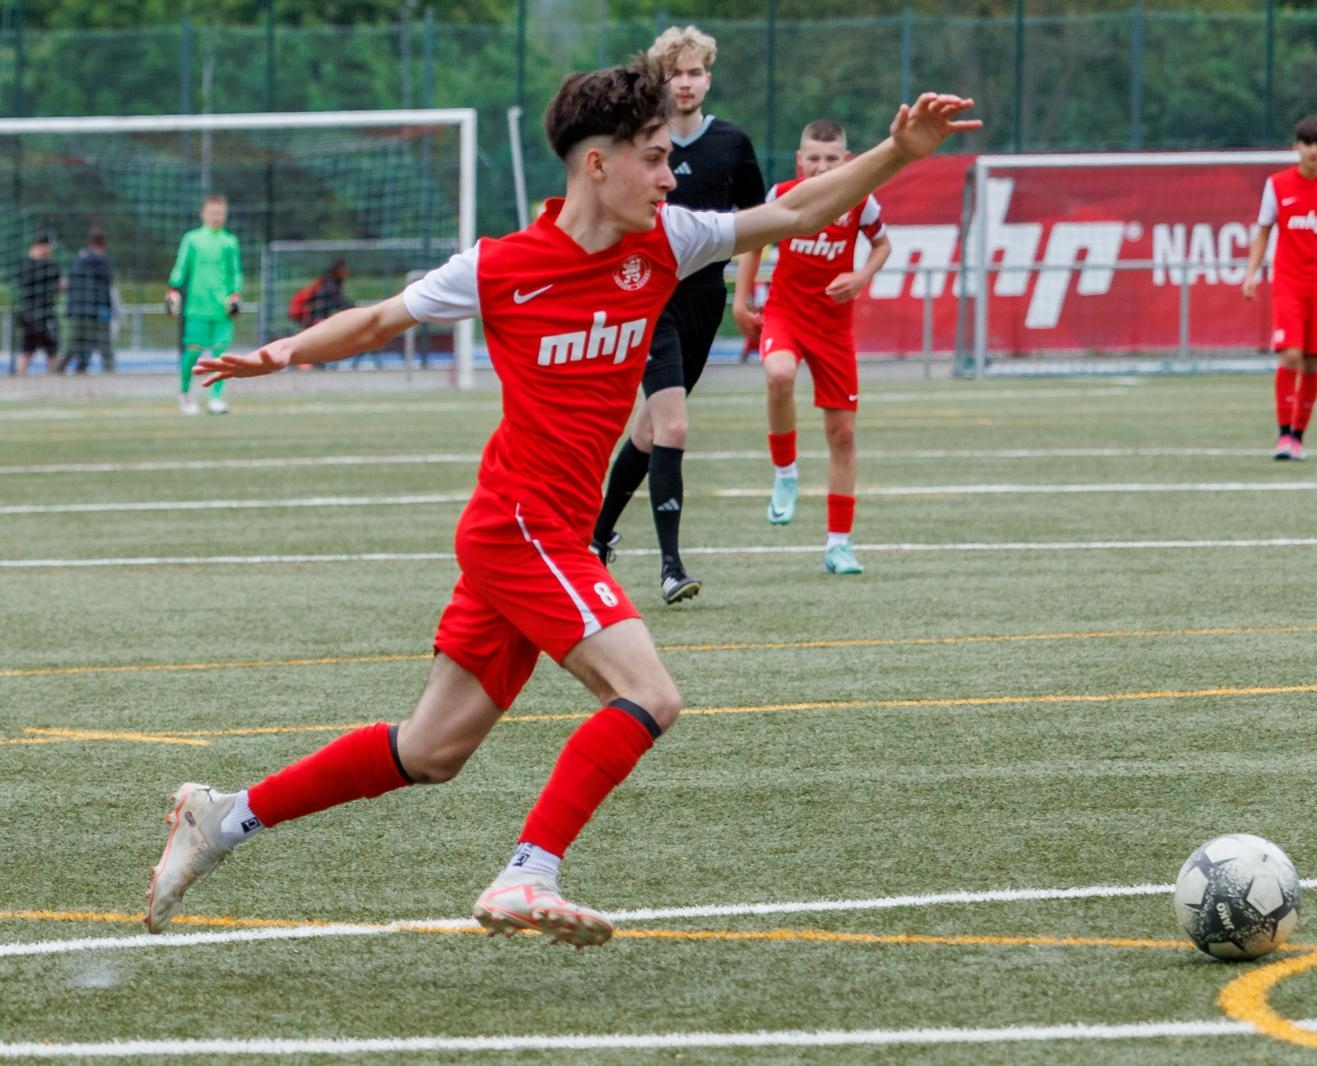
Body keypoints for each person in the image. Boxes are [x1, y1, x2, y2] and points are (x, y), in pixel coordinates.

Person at [143, 60, 978, 948]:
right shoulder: (502, 266)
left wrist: (898, 151)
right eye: (654, 159)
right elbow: (382, 318)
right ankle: (528, 872)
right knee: (649, 693)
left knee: (431, 750)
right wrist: (277, 354)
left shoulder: (669, 239)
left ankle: (222, 817)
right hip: (521, 527)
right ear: (597, 164)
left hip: (537, 533)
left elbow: (800, 213)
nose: (670, 178)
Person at [588, 26, 766, 605]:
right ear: (659, 82)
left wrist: (743, 296)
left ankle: (595, 536)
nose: (684, 83)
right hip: (650, 300)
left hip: (705, 303)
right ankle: (671, 566)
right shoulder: (640, 144)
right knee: (674, 426)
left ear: (708, 79)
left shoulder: (732, 143)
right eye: (674, 74)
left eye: (693, 73)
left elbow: (759, 222)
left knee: (649, 430)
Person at [734, 120, 892, 575]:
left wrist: (860, 277)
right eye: (814, 159)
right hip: (785, 313)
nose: (822, 168)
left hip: (834, 328)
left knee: (843, 436)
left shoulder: (861, 200)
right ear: (800, 161)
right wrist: (742, 303)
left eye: (831, 159)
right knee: (779, 374)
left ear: (847, 161)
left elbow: (882, 245)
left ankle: (838, 545)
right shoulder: (783, 195)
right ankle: (786, 474)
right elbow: (752, 243)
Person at [1241, 114, 1317, 461]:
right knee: (1290, 353)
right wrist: (1251, 273)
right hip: (1288, 282)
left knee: (1312, 360)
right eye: (1307, 143)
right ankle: (1283, 435)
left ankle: (1298, 437)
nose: (1313, 150)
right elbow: (1263, 231)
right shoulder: (1277, 185)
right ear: (1295, 147)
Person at [167, 194, 243, 415]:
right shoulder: (192, 239)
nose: (216, 217)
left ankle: (215, 398)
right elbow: (181, 266)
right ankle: (185, 394)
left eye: (220, 213)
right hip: (197, 307)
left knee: (221, 356)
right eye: (212, 213)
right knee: (192, 353)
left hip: (222, 308)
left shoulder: (230, 242)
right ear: (203, 214)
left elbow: (235, 272)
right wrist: (173, 288)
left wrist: (235, 294)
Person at [61, 227, 116, 374]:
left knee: (74, 345)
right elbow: (110, 288)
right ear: (104, 244)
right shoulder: (104, 264)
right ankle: (110, 375)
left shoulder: (78, 262)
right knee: (105, 347)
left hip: (79, 310)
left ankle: (59, 371)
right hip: (98, 310)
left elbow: (69, 286)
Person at [11, 233, 61, 376]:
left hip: (28, 314)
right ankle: (54, 380)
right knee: (51, 353)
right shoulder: (50, 266)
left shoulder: (24, 265)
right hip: (43, 315)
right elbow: (58, 287)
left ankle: (19, 379)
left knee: (28, 351)